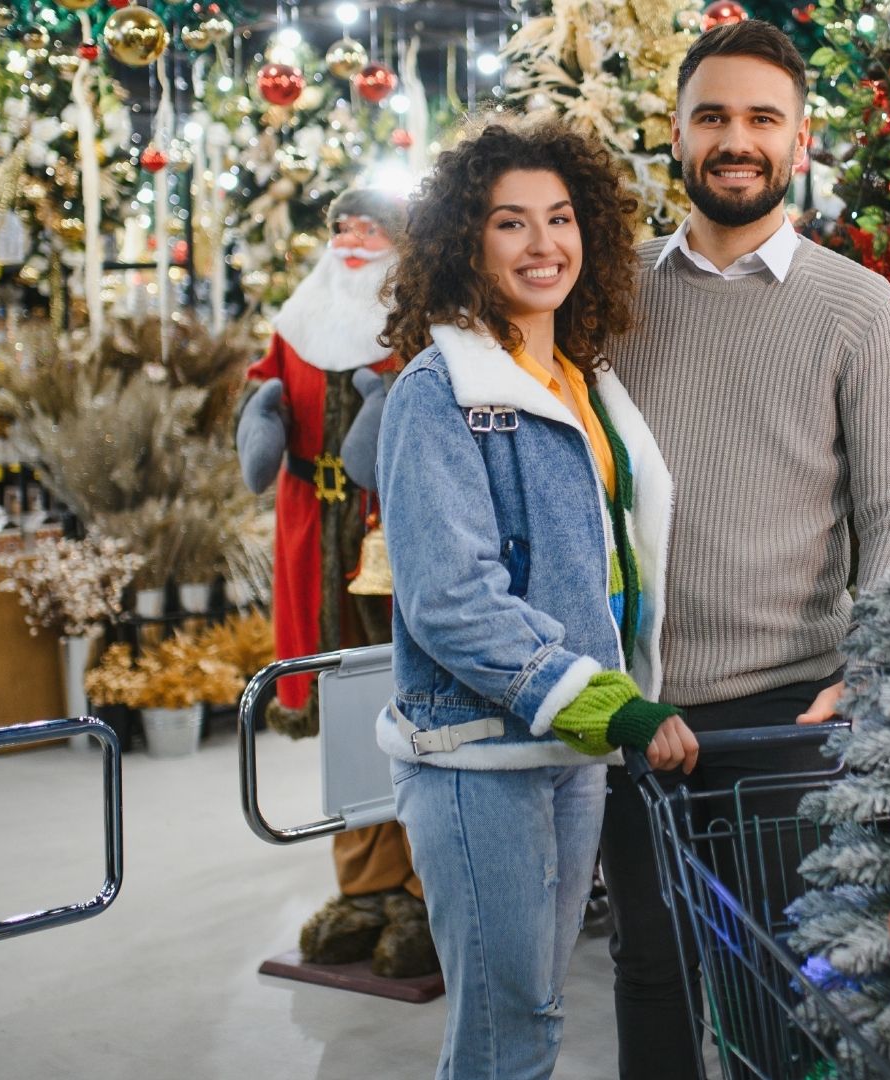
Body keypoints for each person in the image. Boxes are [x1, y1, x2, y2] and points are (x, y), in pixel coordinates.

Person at [599, 20, 890, 1078]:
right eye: (712, 117)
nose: (734, 139)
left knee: (779, 987)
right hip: (635, 702)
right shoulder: (611, 299)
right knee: (649, 970)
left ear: (799, 141)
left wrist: (867, 676)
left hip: (787, 713)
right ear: (679, 133)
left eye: (760, 119)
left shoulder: (858, 308)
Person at [372, 113, 699, 1080]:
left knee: (539, 1013)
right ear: (467, 242)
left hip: (569, 751)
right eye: (512, 223)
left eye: (560, 218)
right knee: (506, 1033)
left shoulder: (581, 381)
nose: (543, 244)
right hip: (478, 757)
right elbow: (450, 600)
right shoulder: (438, 394)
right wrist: (610, 704)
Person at [234, 188, 436, 978]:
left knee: (411, 707)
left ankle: (425, 887)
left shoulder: (419, 314)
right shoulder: (303, 312)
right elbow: (267, 380)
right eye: (341, 227)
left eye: (369, 227)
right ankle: (364, 885)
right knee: (346, 710)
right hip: (313, 532)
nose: (353, 238)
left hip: (394, 535)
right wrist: (260, 416)